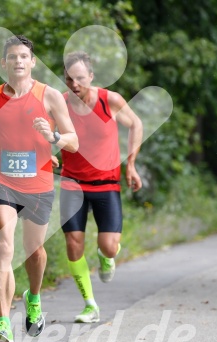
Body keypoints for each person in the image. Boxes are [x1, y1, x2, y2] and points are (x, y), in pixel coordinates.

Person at [0, 35, 79, 342]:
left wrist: (53, 135)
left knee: (34, 251)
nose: (18, 61)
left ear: (32, 62)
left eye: (24, 57)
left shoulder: (50, 95)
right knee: (3, 244)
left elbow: (74, 141)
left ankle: (33, 297)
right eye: (12, 57)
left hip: (39, 183)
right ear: (4, 63)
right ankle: (3, 323)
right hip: (2, 180)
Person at [58, 51, 142, 323]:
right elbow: (43, 132)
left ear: (91, 77)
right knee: (73, 242)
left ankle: (107, 256)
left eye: (80, 78)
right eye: (69, 79)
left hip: (106, 183)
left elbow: (136, 124)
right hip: (72, 183)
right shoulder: (59, 103)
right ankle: (90, 304)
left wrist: (131, 164)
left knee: (108, 246)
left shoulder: (110, 100)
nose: (75, 84)